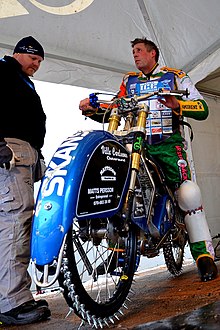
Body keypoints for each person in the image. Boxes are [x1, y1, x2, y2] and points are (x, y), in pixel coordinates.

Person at [79, 37, 218, 282]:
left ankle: (202, 255)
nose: (135, 55)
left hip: (167, 144)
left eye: (140, 50)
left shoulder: (175, 75)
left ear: (153, 54)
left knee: (188, 193)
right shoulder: (128, 81)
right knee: (121, 187)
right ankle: (119, 251)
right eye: (133, 51)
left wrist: (178, 104)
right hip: (136, 143)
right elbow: (115, 106)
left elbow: (202, 107)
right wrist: (92, 108)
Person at [0, 36, 51, 325]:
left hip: (22, 156)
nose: (37, 65)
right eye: (34, 58)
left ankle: (14, 295)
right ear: (20, 53)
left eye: (40, 61)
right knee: (15, 224)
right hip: (10, 153)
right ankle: (12, 302)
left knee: (12, 224)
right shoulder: (4, 72)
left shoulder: (19, 78)